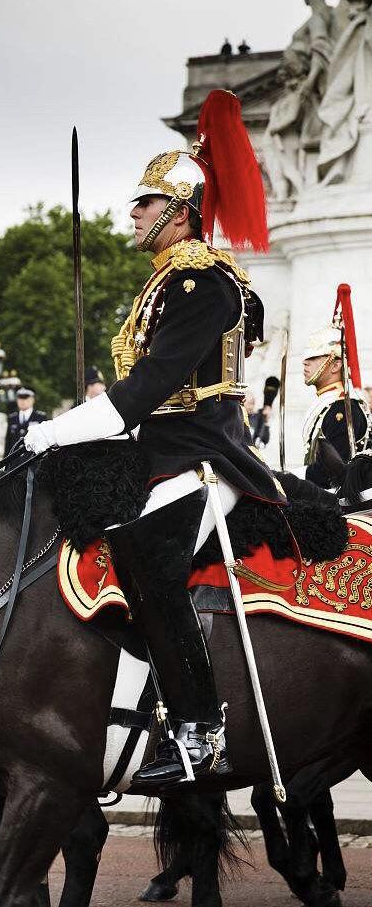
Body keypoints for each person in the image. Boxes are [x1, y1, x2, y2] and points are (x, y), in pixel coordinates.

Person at [24, 89, 283, 790]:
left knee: (148, 557)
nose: (132, 212)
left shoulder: (201, 281)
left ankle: (199, 730)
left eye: (144, 202)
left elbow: (142, 392)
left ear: (179, 209)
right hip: (158, 452)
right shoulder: (167, 281)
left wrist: (51, 430)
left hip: (202, 456)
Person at [298, 327, 370, 488]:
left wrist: (293, 475)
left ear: (336, 365)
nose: (305, 362)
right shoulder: (329, 403)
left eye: (314, 357)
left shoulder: (343, 408)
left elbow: (333, 472)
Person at [3, 387, 47, 459]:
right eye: (20, 398)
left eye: (25, 398)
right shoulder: (12, 418)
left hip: (33, 461)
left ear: (32, 399)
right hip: (14, 462)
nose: (22, 401)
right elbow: (8, 442)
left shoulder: (40, 417)